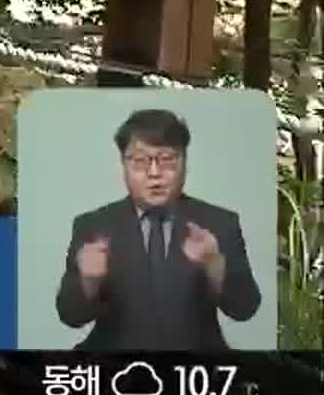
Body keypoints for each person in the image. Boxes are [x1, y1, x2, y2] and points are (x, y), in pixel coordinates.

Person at [55, 108, 261, 351]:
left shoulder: (219, 223)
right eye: (140, 161)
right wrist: (89, 280)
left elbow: (245, 309)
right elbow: (70, 316)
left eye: (167, 159)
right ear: (124, 165)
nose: (155, 173)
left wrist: (214, 263)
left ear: (185, 163)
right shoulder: (93, 225)